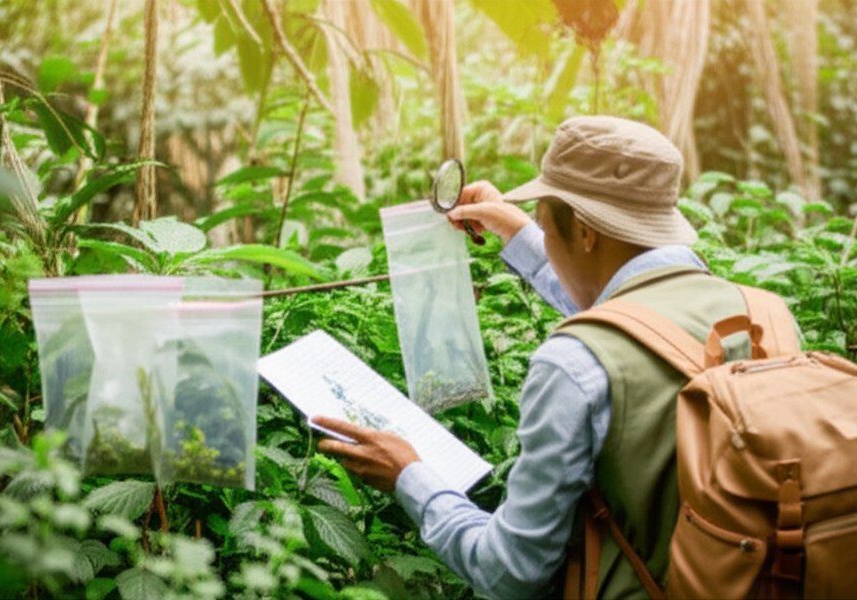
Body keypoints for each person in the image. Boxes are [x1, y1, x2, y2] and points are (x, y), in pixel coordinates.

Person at [313, 116, 757, 600]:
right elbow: (635, 320)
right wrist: (521, 232)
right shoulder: (759, 316)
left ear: (586, 233)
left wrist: (410, 477)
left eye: (546, 226)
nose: (542, 235)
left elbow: (509, 572)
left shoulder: (572, 365)